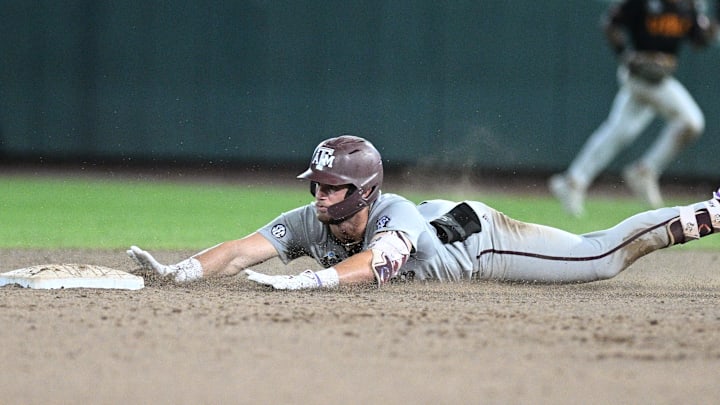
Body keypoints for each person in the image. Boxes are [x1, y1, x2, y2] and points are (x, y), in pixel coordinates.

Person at [127, 134, 720, 289]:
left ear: (361, 191)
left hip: (478, 240)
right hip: (440, 224)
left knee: (599, 258)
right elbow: (238, 251)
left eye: (331, 186)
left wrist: (309, 282)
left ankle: (710, 210)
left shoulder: (396, 218)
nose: (319, 196)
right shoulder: (316, 220)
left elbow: (379, 265)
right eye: (317, 184)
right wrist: (177, 273)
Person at [549, 0, 718, 217]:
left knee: (619, 132)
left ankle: (573, 180)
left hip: (659, 77)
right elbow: (610, 23)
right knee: (691, 122)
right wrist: (624, 53)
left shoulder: (688, 7)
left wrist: (712, 26)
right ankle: (645, 170)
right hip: (638, 76)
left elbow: (699, 40)